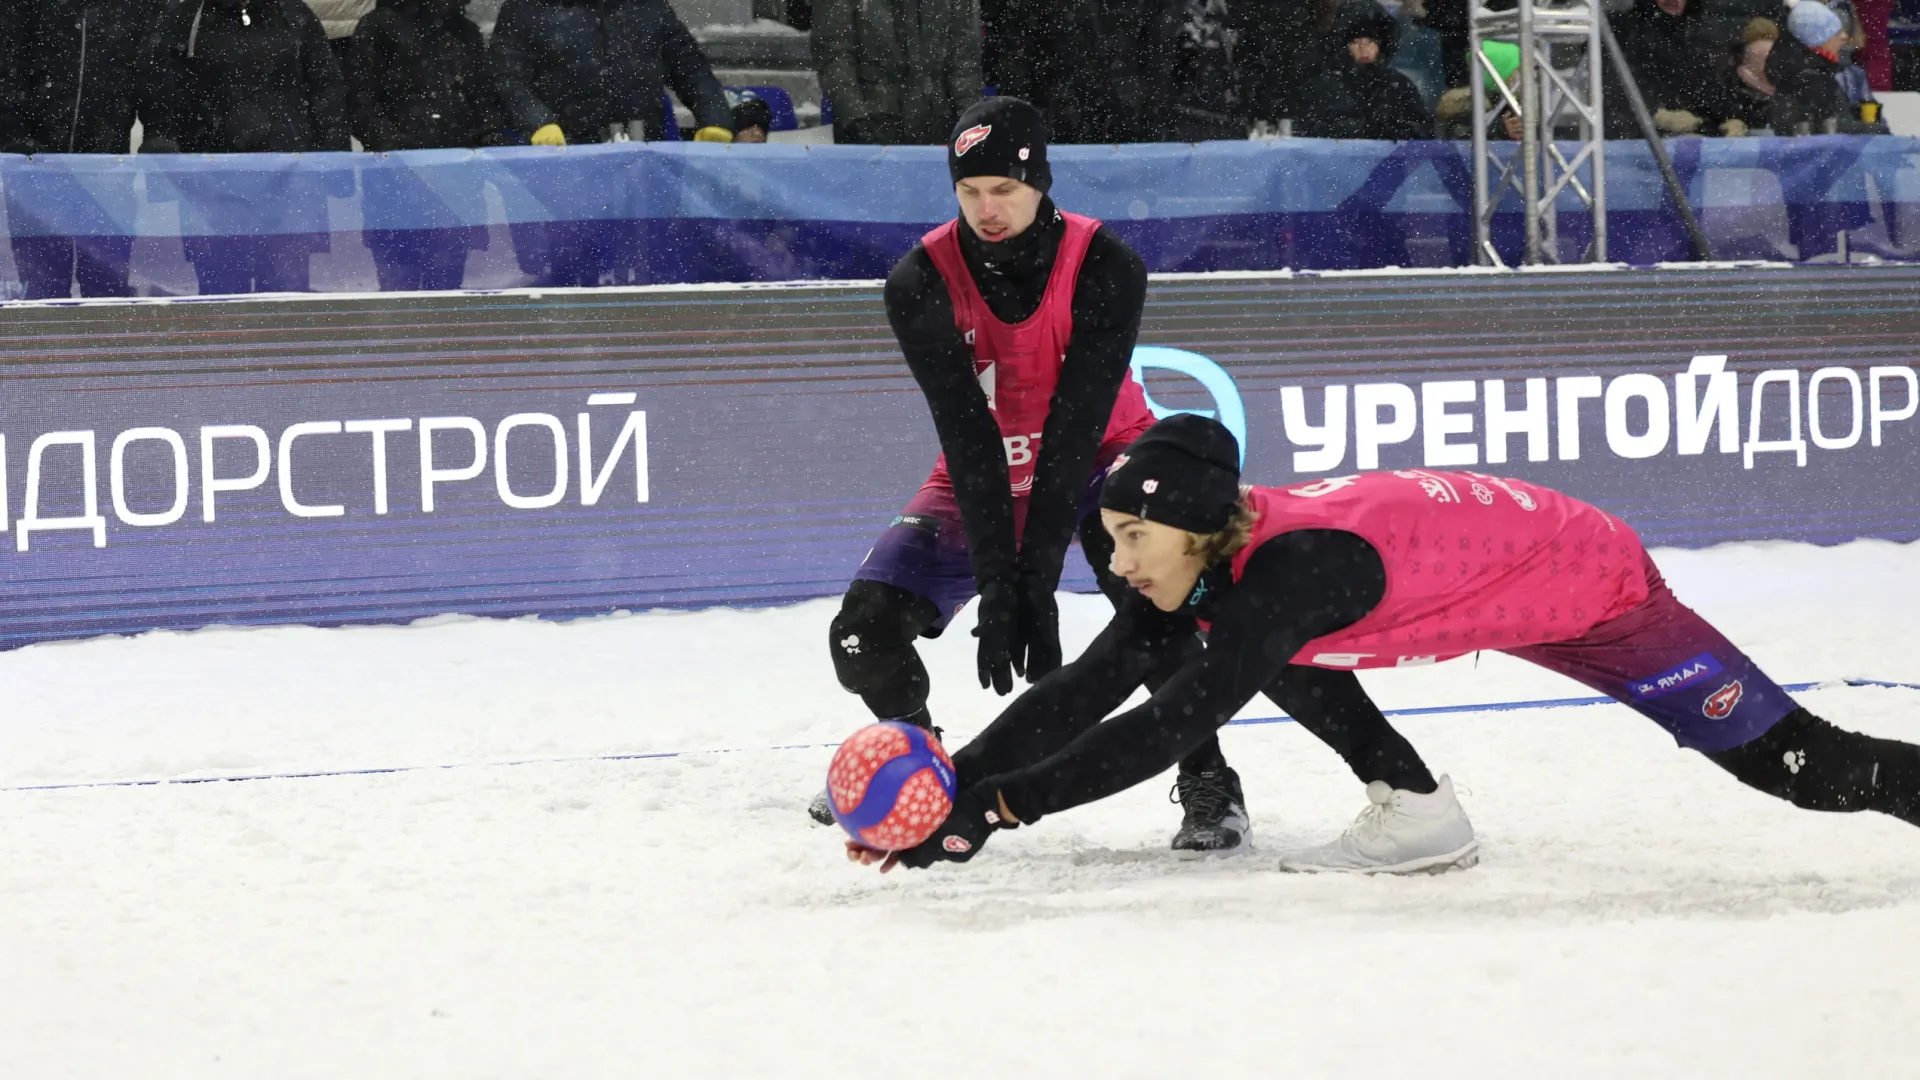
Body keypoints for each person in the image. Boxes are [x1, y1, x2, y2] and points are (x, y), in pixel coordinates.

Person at [853, 414, 1920, 874]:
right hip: (1489, 574)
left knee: (1806, 770)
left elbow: (1169, 722)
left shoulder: (1288, 575)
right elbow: (1089, 685)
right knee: (1222, 647)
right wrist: (950, 784)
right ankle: (1415, 809)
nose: (1121, 562)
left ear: (1187, 525)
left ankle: (1410, 800)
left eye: (1133, 538)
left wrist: (995, 811)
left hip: (1596, 589)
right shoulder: (1217, 547)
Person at [816, 97, 1259, 854]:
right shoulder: (918, 279)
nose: (987, 209)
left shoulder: (1106, 264)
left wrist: (1037, 577)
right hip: (976, 474)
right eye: (968, 192)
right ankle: (921, 764)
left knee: (1152, 610)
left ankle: (1210, 780)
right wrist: (1000, 580)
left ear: (1041, 181)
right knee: (860, 635)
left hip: (1100, 458)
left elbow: (1073, 431)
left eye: (1005, 190)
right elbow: (968, 438)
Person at [142, 0, 352, 294]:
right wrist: (164, 165)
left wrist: (337, 161)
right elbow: (161, 95)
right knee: (222, 302)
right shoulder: (186, 16)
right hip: (211, 188)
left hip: (289, 183)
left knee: (285, 301)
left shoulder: (292, 13)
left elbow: (325, 87)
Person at [0, 0, 165, 299]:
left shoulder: (135, 8)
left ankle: (107, 344)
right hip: (34, 172)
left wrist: (159, 133)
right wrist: (14, 134)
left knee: (108, 292)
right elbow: (7, 68)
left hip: (107, 173)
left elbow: (152, 76)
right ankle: (46, 345)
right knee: (42, 292)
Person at [349, 0, 507, 292]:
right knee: (398, 297)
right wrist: (395, 148)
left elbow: (484, 99)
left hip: (455, 186)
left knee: (446, 298)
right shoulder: (378, 27)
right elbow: (360, 101)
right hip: (394, 184)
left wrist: (489, 136)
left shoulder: (464, 32)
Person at [489, 0, 734, 146]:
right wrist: (538, 123)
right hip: (565, 162)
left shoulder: (647, 6)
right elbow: (506, 77)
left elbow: (689, 65)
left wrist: (714, 117)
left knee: (650, 233)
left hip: (645, 158)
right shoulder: (527, 8)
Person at [810, 0, 980, 145]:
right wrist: (855, 118)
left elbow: (964, 57)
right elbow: (833, 56)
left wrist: (973, 120)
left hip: (935, 125)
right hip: (870, 126)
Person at [1605, 0, 1746, 139]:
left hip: (1694, 141)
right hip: (1638, 144)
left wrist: (1731, 118)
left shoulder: (1696, 34)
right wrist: (1656, 114)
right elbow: (1609, 83)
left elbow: (1710, 89)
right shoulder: (1623, 27)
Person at [1294, 9, 1432, 140]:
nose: (1363, 49)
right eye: (1356, 42)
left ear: (1380, 46)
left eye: (1371, 42)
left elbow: (1425, 128)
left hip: (1391, 160)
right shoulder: (1325, 85)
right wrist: (1363, 128)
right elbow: (1307, 129)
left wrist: (1398, 130)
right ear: (1345, 47)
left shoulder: (1399, 84)